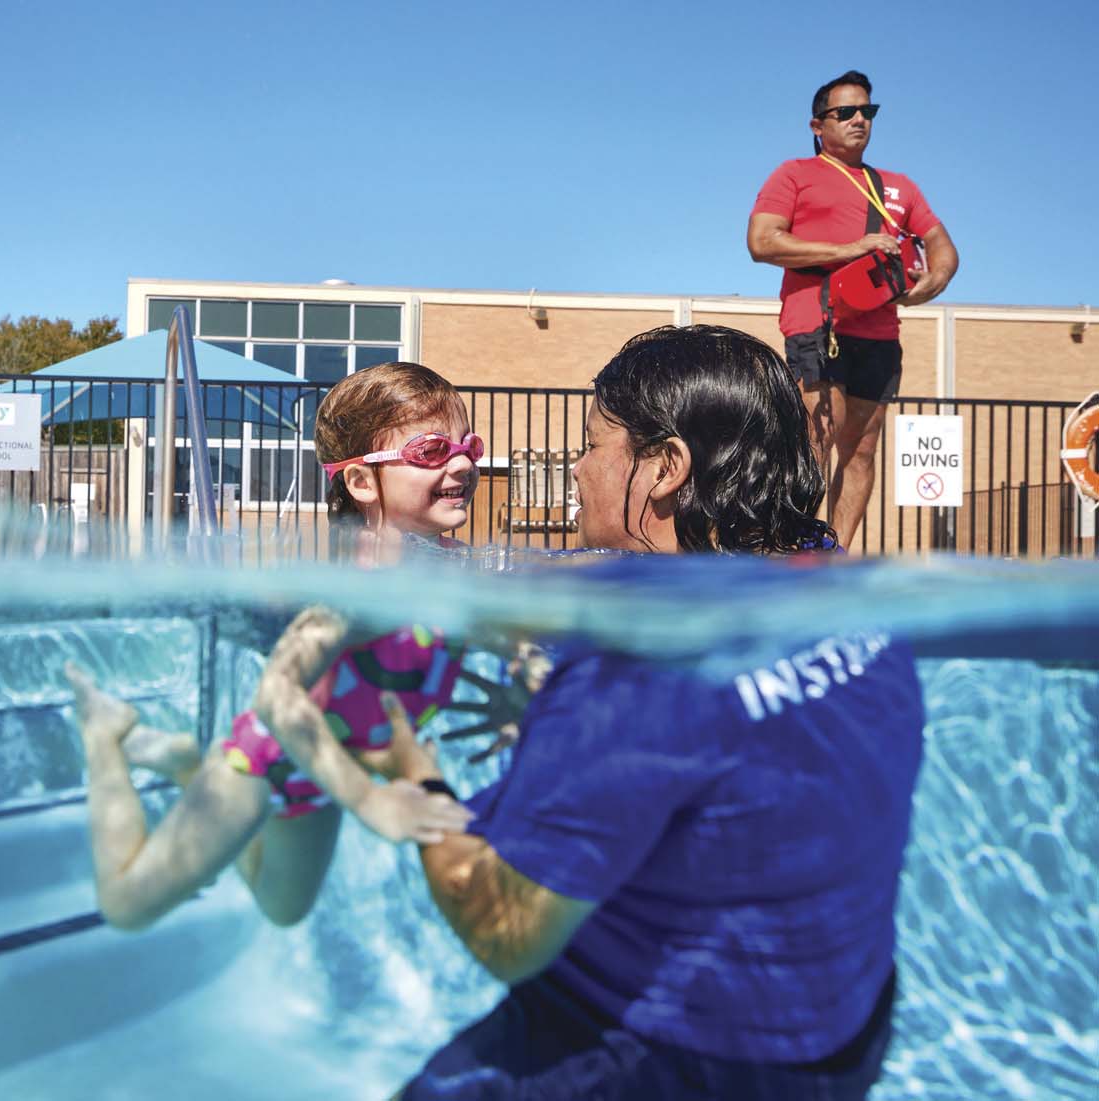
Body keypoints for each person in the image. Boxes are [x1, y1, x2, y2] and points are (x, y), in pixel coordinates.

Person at [261, 326, 926, 1099]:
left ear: (666, 467)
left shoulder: (638, 670)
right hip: (843, 1039)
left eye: (590, 443)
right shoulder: (847, 591)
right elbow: (736, 773)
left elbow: (505, 931)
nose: (574, 468)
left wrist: (416, 774)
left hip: (678, 1061)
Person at [65, 361, 503, 931]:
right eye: (432, 451)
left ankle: (185, 763)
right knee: (127, 907)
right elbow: (275, 694)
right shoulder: (357, 592)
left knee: (283, 908)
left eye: (469, 446)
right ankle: (105, 732)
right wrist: (369, 801)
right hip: (266, 762)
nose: (464, 463)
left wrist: (517, 693)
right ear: (361, 482)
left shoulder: (460, 575)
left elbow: (483, 642)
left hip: (324, 768)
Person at [748, 69, 959, 545]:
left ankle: (833, 556)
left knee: (862, 448)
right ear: (817, 124)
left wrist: (931, 283)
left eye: (867, 111)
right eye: (845, 112)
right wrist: (849, 250)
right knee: (817, 439)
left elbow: (942, 244)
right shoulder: (794, 174)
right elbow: (762, 241)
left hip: (879, 331)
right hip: (817, 323)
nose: (859, 119)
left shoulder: (899, 186)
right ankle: (792, 548)